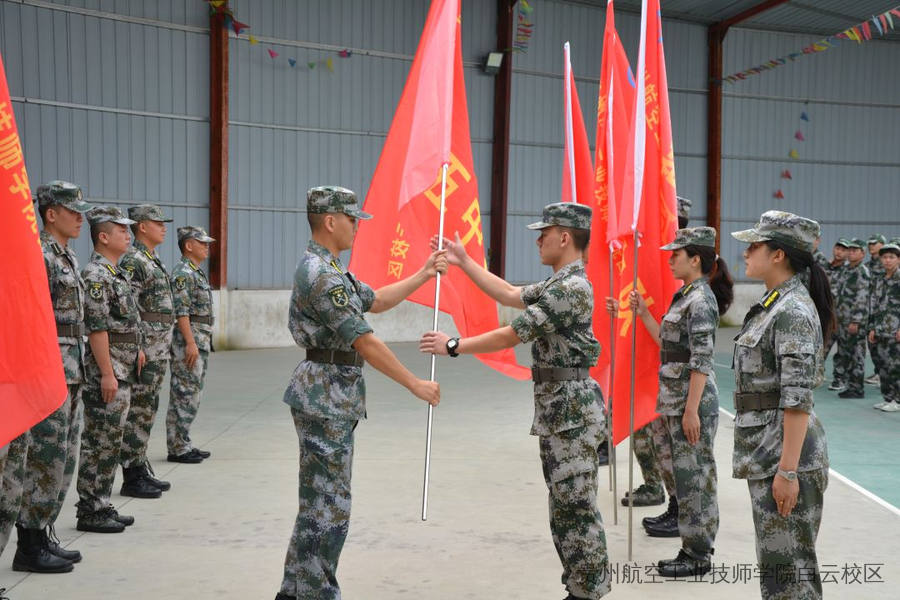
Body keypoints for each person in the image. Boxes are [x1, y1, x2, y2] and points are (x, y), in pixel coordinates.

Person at [421, 202, 610, 600]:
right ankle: (578, 587)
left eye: (545, 232)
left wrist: (453, 345)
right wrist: (465, 262)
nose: (538, 239)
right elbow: (508, 294)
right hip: (560, 410)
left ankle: (589, 591)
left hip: (572, 412)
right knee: (563, 508)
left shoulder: (572, 289)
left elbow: (513, 333)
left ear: (565, 237)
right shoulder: (560, 284)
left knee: (576, 508)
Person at [276, 186, 442, 600]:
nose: (356, 227)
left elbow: (377, 300)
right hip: (325, 397)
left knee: (319, 501)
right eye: (352, 220)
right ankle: (315, 592)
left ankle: (296, 590)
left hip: (331, 395)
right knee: (329, 508)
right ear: (330, 221)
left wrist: (423, 273)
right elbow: (363, 340)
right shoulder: (322, 274)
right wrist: (414, 383)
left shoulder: (332, 270)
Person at [731, 210, 833, 600]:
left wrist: (788, 472)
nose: (747, 252)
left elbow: (797, 399)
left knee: (791, 575)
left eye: (755, 245)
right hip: (769, 448)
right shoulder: (775, 303)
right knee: (779, 572)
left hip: (786, 454)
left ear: (778, 255)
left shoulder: (791, 311)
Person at [626, 227, 733, 576]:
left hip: (691, 403)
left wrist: (691, 411)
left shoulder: (700, 300)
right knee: (684, 476)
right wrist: (643, 312)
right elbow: (669, 346)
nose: (670, 259)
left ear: (696, 259)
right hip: (675, 400)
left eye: (676, 254)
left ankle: (698, 555)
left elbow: (701, 359)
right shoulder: (685, 295)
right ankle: (690, 546)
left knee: (696, 478)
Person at [11, 182, 93, 572]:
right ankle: (28, 544)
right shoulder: (40, 255)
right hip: (49, 370)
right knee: (44, 457)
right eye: (73, 210)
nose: (81, 217)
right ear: (50, 214)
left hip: (71, 370)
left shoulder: (67, 256)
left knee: (62, 456)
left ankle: (41, 533)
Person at [76, 206, 144, 533]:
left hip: (123, 366)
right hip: (109, 368)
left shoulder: (115, 272)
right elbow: (97, 328)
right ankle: (90, 508)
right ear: (103, 237)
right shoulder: (96, 275)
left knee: (111, 439)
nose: (129, 236)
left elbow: (125, 321)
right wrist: (106, 372)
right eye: (122, 231)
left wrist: (137, 350)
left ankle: (101, 502)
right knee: (99, 438)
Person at [118, 205, 176, 495]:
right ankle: (131, 474)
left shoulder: (151, 259)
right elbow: (129, 307)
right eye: (158, 223)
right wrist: (138, 345)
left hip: (159, 347)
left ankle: (139, 465)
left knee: (147, 409)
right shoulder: (134, 261)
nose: (163, 227)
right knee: (139, 410)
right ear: (141, 226)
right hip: (147, 349)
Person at [167, 226, 216, 464]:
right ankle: (177, 447)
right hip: (190, 340)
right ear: (188, 246)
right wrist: (189, 342)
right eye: (202, 242)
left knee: (193, 393)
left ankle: (183, 441)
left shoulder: (195, 272)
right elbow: (181, 311)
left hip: (200, 339)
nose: (206, 246)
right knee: (184, 393)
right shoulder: (183, 273)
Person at [832, 238, 869, 398]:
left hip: (854, 322)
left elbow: (863, 297)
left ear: (863, 253)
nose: (851, 253)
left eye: (855, 250)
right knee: (846, 353)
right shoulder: (846, 270)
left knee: (856, 355)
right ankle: (849, 384)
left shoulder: (862, 271)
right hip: (842, 320)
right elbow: (838, 293)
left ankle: (857, 388)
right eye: (850, 250)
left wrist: (856, 320)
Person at [868, 240, 900, 412]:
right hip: (880, 330)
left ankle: (898, 400)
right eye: (885, 257)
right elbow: (874, 305)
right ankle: (888, 398)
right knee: (883, 366)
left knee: (896, 366)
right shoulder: (879, 280)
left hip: (895, 331)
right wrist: (872, 327)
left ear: (898, 260)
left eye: (892, 257)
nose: (888, 260)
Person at [865, 234, 887, 386]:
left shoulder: (888, 265)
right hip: (870, 309)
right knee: (872, 344)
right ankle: (879, 372)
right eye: (870, 244)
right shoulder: (867, 266)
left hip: (886, 310)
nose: (871, 246)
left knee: (887, 346)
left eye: (875, 243)